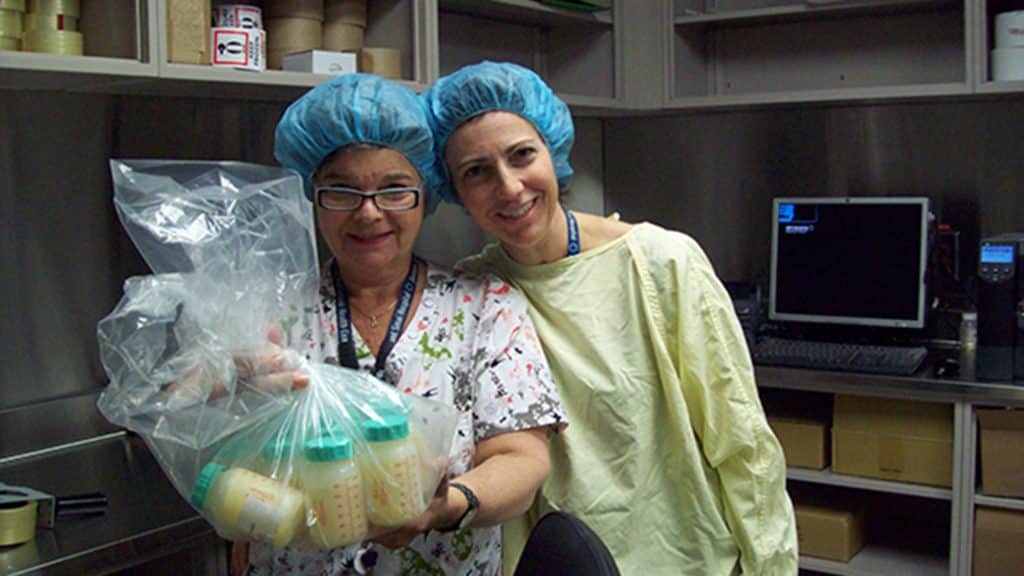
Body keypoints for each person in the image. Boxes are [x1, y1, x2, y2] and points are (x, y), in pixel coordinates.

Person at [421, 61, 798, 575]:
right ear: (456, 194)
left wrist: (772, 567)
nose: (509, 188)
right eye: (476, 172)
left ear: (552, 152)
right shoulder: (473, 295)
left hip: (685, 560)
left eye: (522, 155)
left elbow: (743, 444)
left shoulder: (662, 263)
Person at [232, 73, 565, 576]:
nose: (369, 214)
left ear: (425, 197)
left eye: (394, 190)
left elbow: (522, 459)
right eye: (341, 191)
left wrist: (449, 505)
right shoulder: (274, 312)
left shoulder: (485, 307)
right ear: (312, 197)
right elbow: (217, 447)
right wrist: (229, 386)